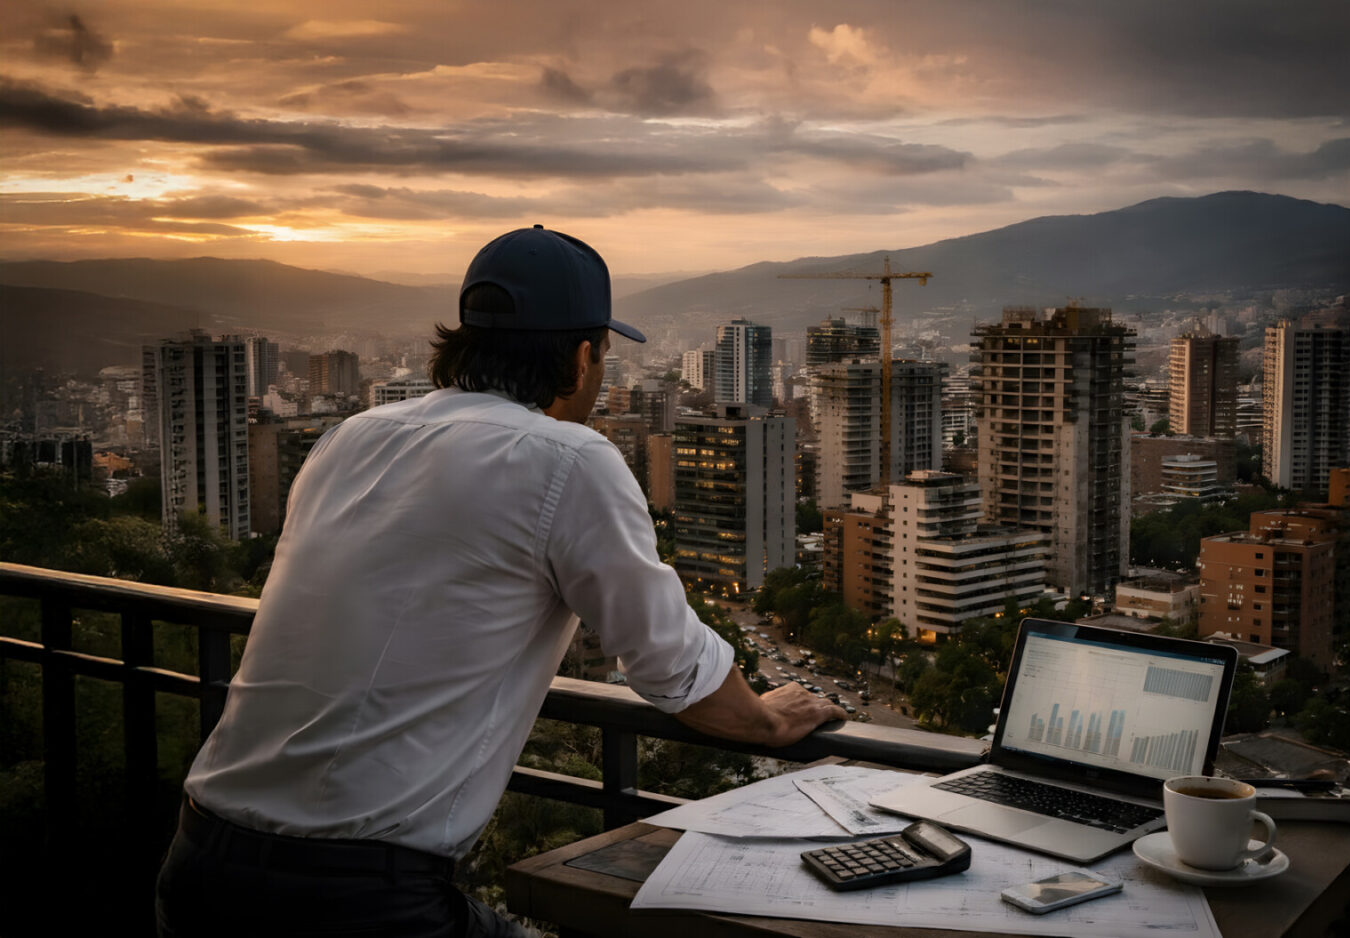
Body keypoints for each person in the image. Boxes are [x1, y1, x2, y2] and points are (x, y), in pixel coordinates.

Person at [154, 226, 844, 936]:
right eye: (603, 356)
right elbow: (669, 662)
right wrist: (765, 720)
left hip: (199, 862)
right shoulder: (568, 457)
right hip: (351, 897)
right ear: (582, 357)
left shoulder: (350, 437)